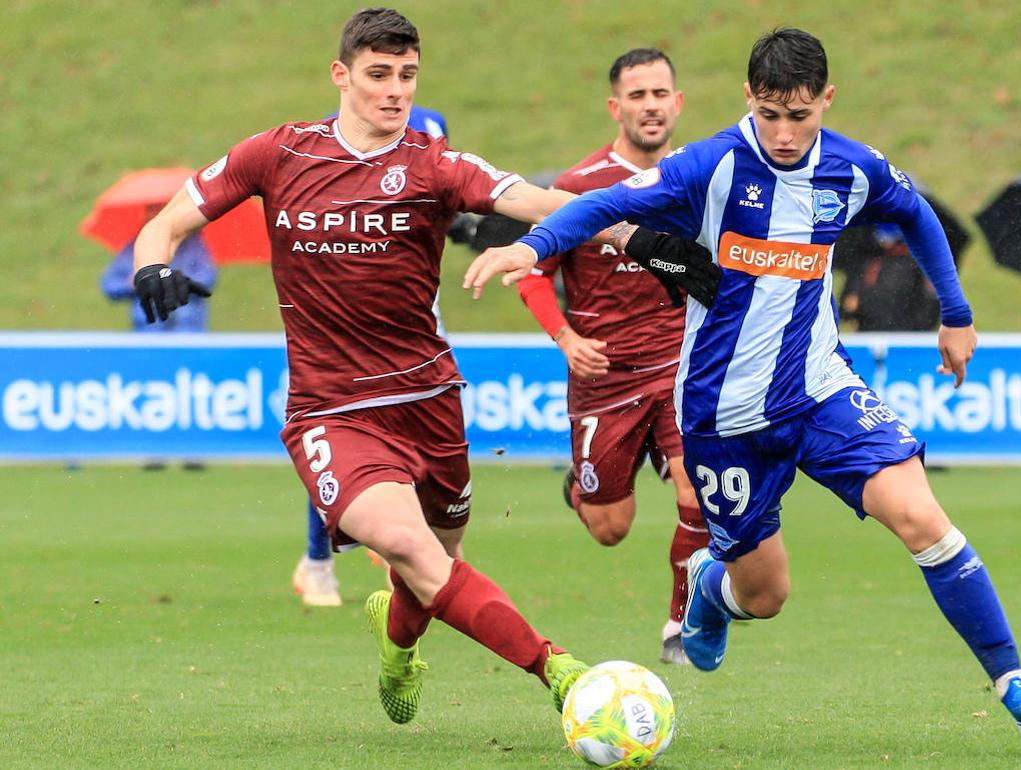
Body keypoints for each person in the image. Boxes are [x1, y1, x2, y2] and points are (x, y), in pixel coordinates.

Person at [465, 27, 1021, 749]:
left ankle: (1015, 684)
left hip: (821, 390)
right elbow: (599, 205)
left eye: (801, 115)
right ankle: (711, 590)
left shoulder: (853, 167)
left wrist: (958, 313)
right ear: (748, 98)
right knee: (765, 594)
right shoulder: (710, 165)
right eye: (771, 114)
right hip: (726, 414)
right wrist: (530, 246)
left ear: (826, 100)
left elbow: (917, 215)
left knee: (924, 520)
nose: (785, 133)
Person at [129, 7, 710, 724]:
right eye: (378, 75)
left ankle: (398, 645)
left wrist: (639, 235)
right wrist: (151, 265)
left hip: (429, 399)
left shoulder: (436, 166)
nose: (395, 90)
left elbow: (539, 199)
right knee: (409, 547)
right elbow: (165, 220)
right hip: (330, 408)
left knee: (433, 563)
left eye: (406, 75)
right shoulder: (277, 154)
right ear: (341, 76)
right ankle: (562, 674)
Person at [515, 48, 708, 667]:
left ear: (677, 102)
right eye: (638, 95)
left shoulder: (701, 179)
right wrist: (566, 340)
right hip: (604, 379)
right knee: (610, 528)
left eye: (660, 93)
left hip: (682, 366)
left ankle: (682, 625)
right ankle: (582, 489)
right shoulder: (576, 187)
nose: (650, 106)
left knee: (696, 490)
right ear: (616, 107)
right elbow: (531, 272)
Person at [292, 101, 455, 608]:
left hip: (419, 330)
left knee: (424, 453)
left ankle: (399, 547)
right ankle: (319, 563)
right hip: (342, 337)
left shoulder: (433, 135)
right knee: (339, 447)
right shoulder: (329, 150)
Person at [101, 209, 216, 332]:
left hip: (187, 327)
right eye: (153, 212)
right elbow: (110, 286)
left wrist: (178, 281)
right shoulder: (132, 250)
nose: (157, 219)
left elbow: (207, 277)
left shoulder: (194, 246)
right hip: (147, 329)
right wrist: (130, 284)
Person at [838, 223, 940, 332]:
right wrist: (849, 305)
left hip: (904, 335)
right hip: (868, 334)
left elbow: (928, 308)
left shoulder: (916, 265)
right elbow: (848, 303)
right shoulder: (868, 262)